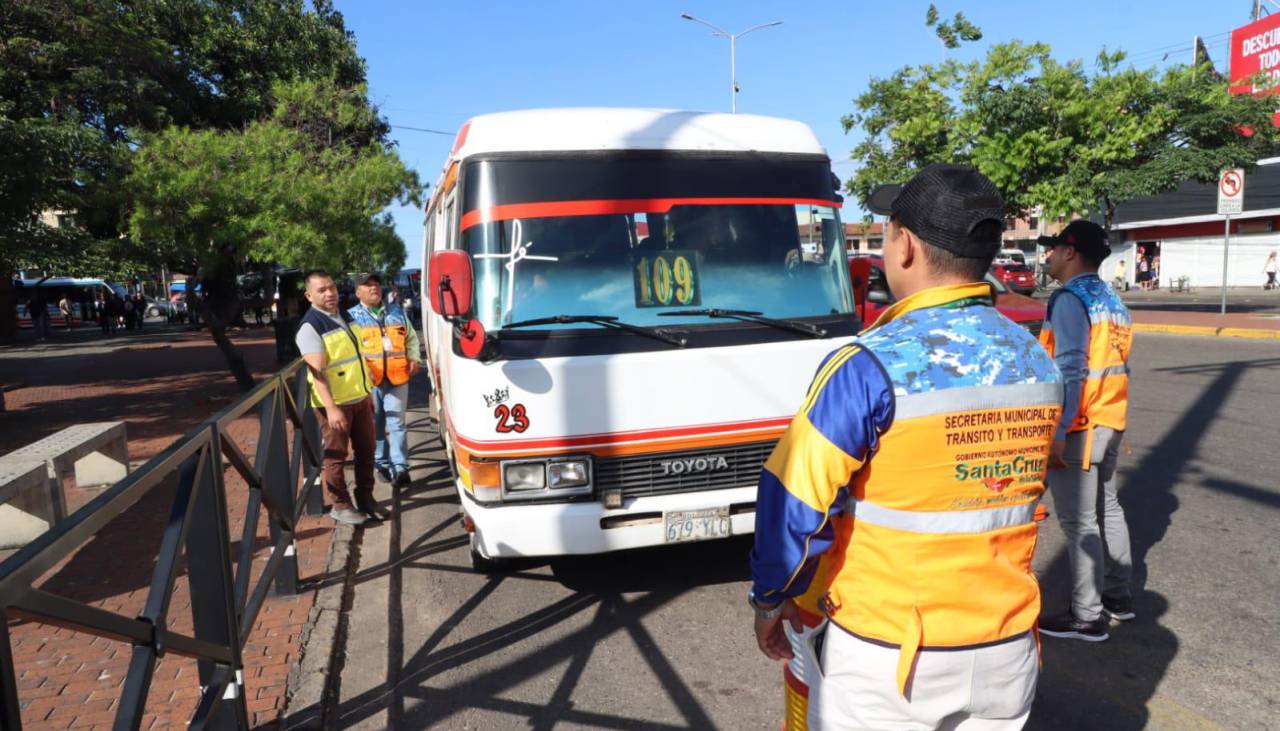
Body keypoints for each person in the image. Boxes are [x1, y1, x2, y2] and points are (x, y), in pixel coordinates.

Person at [750, 164, 1063, 730]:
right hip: (1006, 648)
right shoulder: (1036, 358)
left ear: (906, 246)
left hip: (889, 656)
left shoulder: (867, 366)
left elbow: (793, 500)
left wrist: (771, 600)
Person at [1036, 220, 1135, 642]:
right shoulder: (1111, 299)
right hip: (1110, 416)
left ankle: (1087, 615)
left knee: (1080, 523)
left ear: (1071, 251)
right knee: (1108, 509)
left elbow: (1072, 367)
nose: (1048, 256)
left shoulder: (1069, 299)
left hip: (1080, 424)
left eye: (1053, 248)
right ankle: (1118, 598)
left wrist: (1059, 429)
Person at [295, 270, 378, 525]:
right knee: (336, 455)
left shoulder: (344, 317)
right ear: (309, 295)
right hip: (336, 403)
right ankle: (340, 505)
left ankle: (365, 498)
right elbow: (317, 372)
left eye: (331, 287)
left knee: (367, 450)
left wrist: (368, 393)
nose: (329, 293)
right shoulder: (310, 327)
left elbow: (357, 359)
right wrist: (331, 408)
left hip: (359, 397)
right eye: (322, 290)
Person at [348, 273, 422, 488]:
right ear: (358, 292)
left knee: (397, 422)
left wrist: (415, 358)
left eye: (376, 284)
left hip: (398, 377)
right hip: (371, 382)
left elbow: (411, 338)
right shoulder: (352, 317)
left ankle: (400, 467)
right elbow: (351, 351)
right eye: (367, 285)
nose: (374, 288)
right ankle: (381, 463)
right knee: (376, 425)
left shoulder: (397, 312)